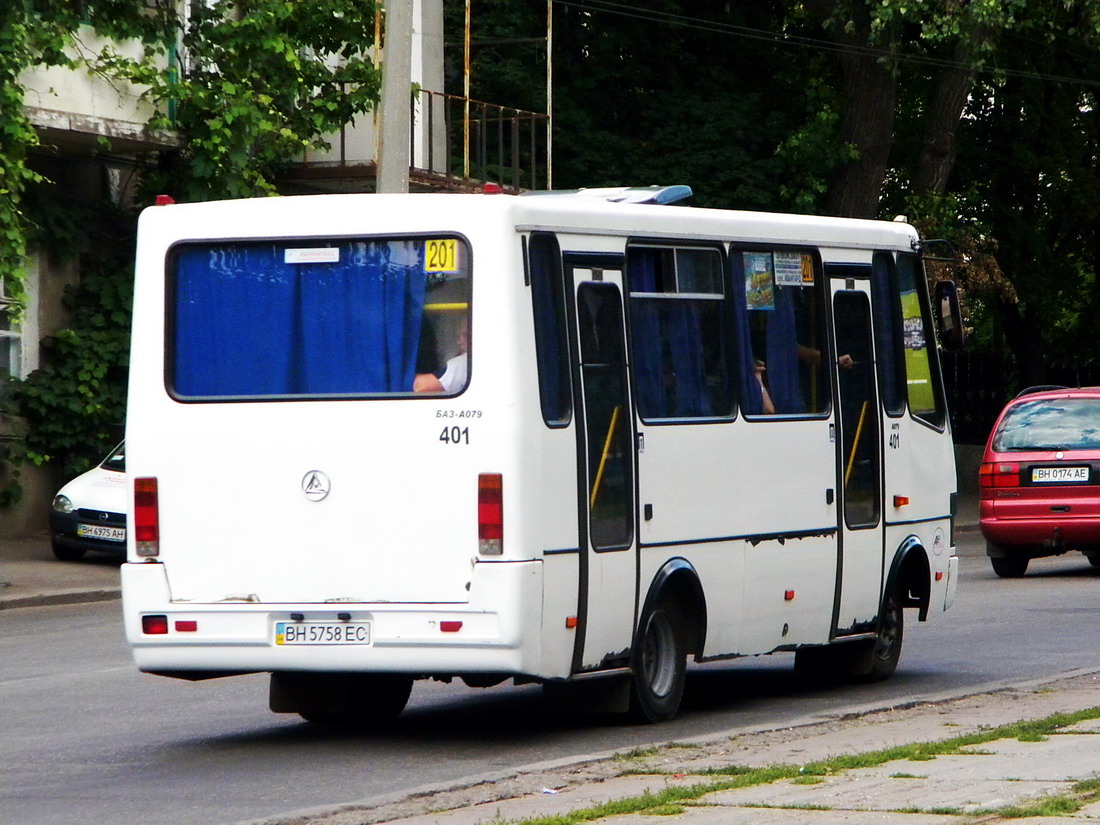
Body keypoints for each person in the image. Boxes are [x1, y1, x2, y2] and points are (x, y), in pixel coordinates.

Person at [414, 318, 468, 393]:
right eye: (459, 337)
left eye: (465, 336)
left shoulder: (464, 362)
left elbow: (422, 387)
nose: (459, 342)